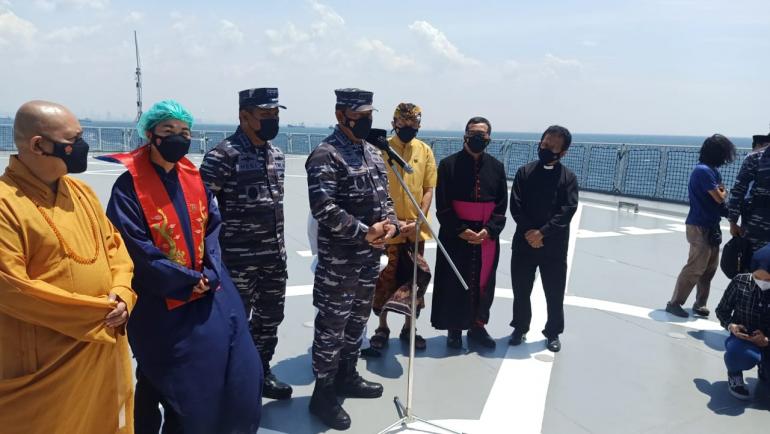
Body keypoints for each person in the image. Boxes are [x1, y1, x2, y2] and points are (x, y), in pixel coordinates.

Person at [102, 100, 262, 434]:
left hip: (206, 290)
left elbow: (212, 230)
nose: (178, 137)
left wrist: (210, 273)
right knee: (160, 376)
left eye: (185, 132)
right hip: (159, 299)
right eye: (169, 131)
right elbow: (133, 246)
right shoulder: (129, 188)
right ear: (151, 135)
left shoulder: (193, 178)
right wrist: (185, 279)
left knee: (231, 369)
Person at [0, 100, 136, 433]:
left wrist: (121, 294)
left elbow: (114, 248)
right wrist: (98, 314)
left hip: (102, 352)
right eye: (73, 139)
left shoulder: (81, 192)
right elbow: (12, 287)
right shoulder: (5, 204)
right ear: (38, 146)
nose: (83, 146)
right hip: (48, 360)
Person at [305, 88, 398, 430]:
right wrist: (363, 231)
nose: (367, 121)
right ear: (341, 116)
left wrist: (387, 225)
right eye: (361, 116)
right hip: (340, 263)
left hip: (368, 260)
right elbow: (324, 208)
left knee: (357, 323)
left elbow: (384, 197)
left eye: (370, 115)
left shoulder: (372, 153)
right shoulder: (325, 155)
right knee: (331, 328)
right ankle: (322, 394)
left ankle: (347, 376)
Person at [200, 88, 292, 400]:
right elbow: (201, 211)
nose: (272, 120)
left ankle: (261, 372)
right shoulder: (222, 156)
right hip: (236, 262)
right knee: (231, 326)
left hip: (273, 260)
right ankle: (228, 383)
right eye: (266, 115)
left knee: (269, 322)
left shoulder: (276, 156)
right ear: (244, 116)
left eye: (276, 114)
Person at [431, 116, 508, 349]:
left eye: (482, 135)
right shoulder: (447, 165)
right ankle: (454, 329)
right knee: (455, 280)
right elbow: (442, 206)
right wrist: (461, 230)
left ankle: (478, 326)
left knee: (483, 283)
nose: (477, 138)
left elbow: (501, 206)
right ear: (464, 135)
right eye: (473, 133)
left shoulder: (496, 167)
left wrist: (488, 230)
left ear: (489, 139)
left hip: (486, 237)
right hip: (456, 236)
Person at [369, 103, 437, 352]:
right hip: (388, 228)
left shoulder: (425, 151)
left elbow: (429, 188)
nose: (408, 127)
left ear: (419, 125)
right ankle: (382, 327)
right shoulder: (379, 149)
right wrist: (393, 223)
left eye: (413, 123)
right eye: (403, 123)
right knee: (384, 281)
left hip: (416, 230)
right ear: (394, 123)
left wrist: (418, 220)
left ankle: (410, 327)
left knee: (415, 280)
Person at [509, 125, 578, 353]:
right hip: (524, 244)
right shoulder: (524, 172)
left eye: (553, 147)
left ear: (563, 152)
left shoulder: (568, 178)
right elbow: (516, 205)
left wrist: (542, 233)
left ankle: (553, 332)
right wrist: (530, 231)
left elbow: (567, 210)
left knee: (554, 292)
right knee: (521, 289)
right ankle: (520, 327)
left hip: (554, 247)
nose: (546, 149)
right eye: (544, 144)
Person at [666, 134, 736, 318]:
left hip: (711, 225)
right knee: (696, 267)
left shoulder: (713, 171)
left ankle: (700, 303)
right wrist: (724, 191)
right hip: (699, 226)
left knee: (710, 268)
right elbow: (719, 196)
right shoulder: (703, 171)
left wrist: (722, 193)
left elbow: (719, 197)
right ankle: (674, 303)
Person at [715, 244, 770, 400]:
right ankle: (734, 373)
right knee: (741, 355)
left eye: (768, 279)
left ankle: (764, 370)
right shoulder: (740, 282)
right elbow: (722, 310)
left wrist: (767, 340)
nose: (763, 282)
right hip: (744, 341)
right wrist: (731, 326)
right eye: (758, 277)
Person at [727, 133, 770, 262]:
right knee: (752, 265)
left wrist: (732, 221)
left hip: (757, 224)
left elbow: (738, 190)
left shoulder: (755, 157)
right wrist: (733, 221)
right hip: (757, 226)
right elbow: (739, 190)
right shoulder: (755, 158)